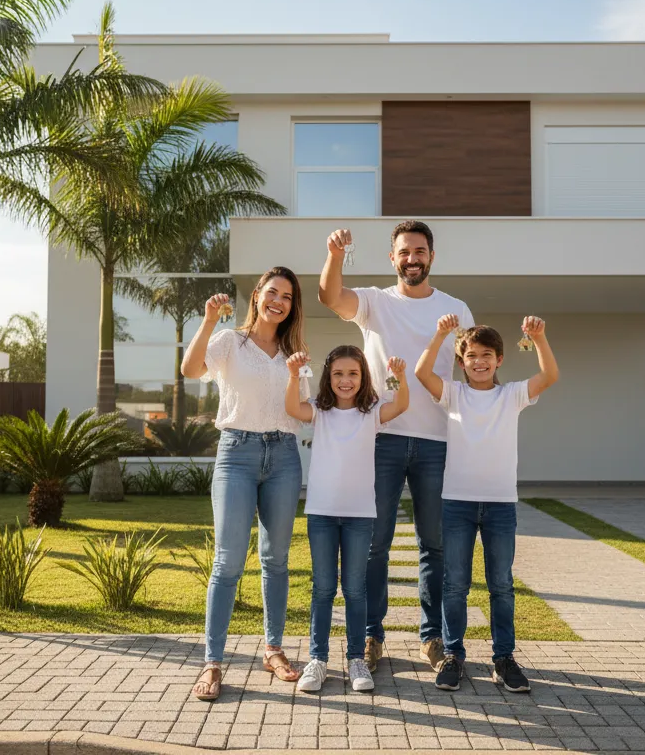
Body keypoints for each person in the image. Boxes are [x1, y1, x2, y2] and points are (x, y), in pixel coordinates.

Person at [319, 221, 473, 672]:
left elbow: (473, 371)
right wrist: (333, 254)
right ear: (393, 258)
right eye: (404, 251)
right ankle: (371, 636)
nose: (412, 258)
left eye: (420, 251)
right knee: (374, 544)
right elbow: (331, 296)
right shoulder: (375, 301)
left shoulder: (455, 308)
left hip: (438, 441)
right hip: (381, 437)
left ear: (431, 256)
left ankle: (434, 640)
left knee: (436, 545)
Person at [180, 267, 308, 702]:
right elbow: (190, 368)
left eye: (288, 297)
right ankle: (213, 662)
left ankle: (273, 649)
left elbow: (302, 407)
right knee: (228, 561)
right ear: (256, 296)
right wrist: (208, 319)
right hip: (237, 453)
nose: (279, 301)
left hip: (285, 457)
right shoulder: (230, 342)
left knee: (276, 560)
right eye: (273, 292)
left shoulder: (293, 350)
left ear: (293, 306)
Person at [414, 315, 559, 693]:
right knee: (454, 585)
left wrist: (540, 339)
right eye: (472, 356)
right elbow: (421, 371)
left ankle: (504, 658)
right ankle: (453, 656)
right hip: (457, 504)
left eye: (487, 355)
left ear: (499, 360)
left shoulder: (511, 394)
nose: (479, 362)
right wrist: (441, 333)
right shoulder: (454, 394)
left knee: (502, 586)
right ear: (461, 362)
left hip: (499, 505)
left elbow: (549, 376)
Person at [283, 346, 410, 694]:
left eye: (353, 374)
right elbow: (293, 407)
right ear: (329, 377)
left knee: (355, 589)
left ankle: (356, 660)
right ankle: (318, 660)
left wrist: (397, 375)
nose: (345, 380)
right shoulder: (320, 412)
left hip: (359, 515)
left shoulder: (371, 413)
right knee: (323, 588)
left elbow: (400, 405)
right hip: (321, 514)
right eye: (338, 374)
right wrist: (294, 375)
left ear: (363, 377)